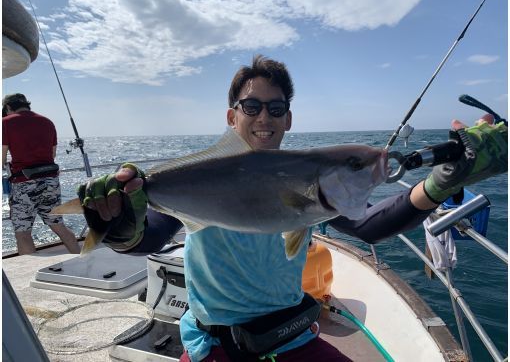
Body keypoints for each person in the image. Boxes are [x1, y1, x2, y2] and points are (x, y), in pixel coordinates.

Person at [77, 55, 507, 362]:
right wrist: (117, 226)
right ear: (232, 117)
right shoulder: (200, 181)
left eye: (276, 107)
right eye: (252, 106)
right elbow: (150, 234)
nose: (264, 115)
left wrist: (441, 182)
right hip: (217, 346)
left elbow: (370, 226)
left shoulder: (309, 189)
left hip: (292, 337)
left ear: (289, 119)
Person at [2, 93, 80, 255]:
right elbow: (52, 156)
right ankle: (81, 259)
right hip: (50, 182)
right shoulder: (47, 122)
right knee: (58, 224)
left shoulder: (5, 123)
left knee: (23, 233)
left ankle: (30, 275)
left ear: (8, 107)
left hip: (24, 182)